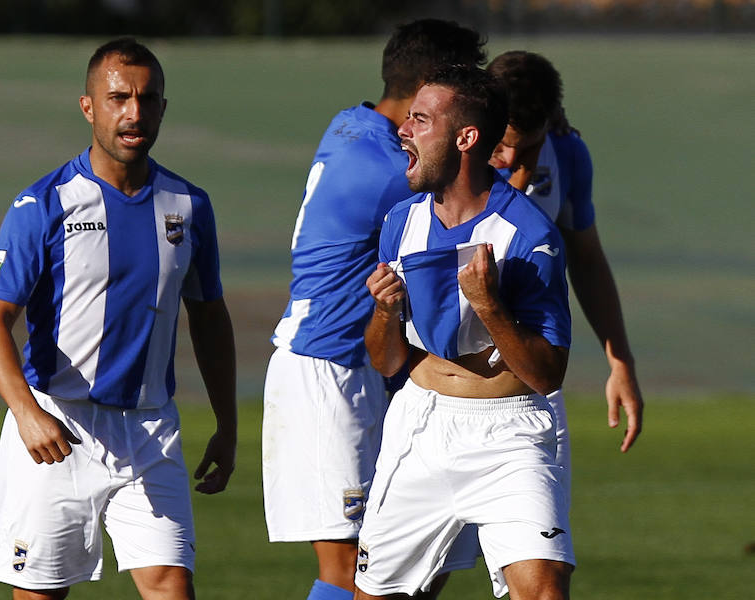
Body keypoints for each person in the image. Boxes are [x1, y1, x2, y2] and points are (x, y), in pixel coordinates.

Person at [0, 38, 237, 600]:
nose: (133, 113)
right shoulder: (43, 204)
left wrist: (227, 423)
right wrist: (25, 413)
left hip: (151, 431)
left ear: (163, 107)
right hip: (57, 427)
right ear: (89, 107)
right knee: (41, 594)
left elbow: (209, 317)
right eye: (118, 98)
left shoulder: (189, 206)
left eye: (147, 98)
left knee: (171, 586)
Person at [261, 19, 487, 600]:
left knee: (414, 565)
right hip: (327, 370)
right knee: (354, 572)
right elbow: (473, 202)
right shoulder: (390, 169)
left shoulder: (354, 127)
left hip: (369, 371)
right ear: (427, 94)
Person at [356, 65, 574, 599]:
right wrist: (384, 313)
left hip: (511, 438)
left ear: (466, 138)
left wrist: (490, 306)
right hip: (420, 428)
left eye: (421, 119)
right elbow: (387, 362)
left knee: (543, 591)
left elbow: (548, 373)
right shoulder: (399, 223)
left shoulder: (529, 234)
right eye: (408, 117)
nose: (404, 129)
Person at [487, 50, 643, 461]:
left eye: (528, 148)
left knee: (546, 527)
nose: (513, 162)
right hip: (444, 385)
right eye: (503, 147)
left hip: (531, 388)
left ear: (553, 118)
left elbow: (588, 261)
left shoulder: (567, 153)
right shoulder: (445, 152)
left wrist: (620, 360)